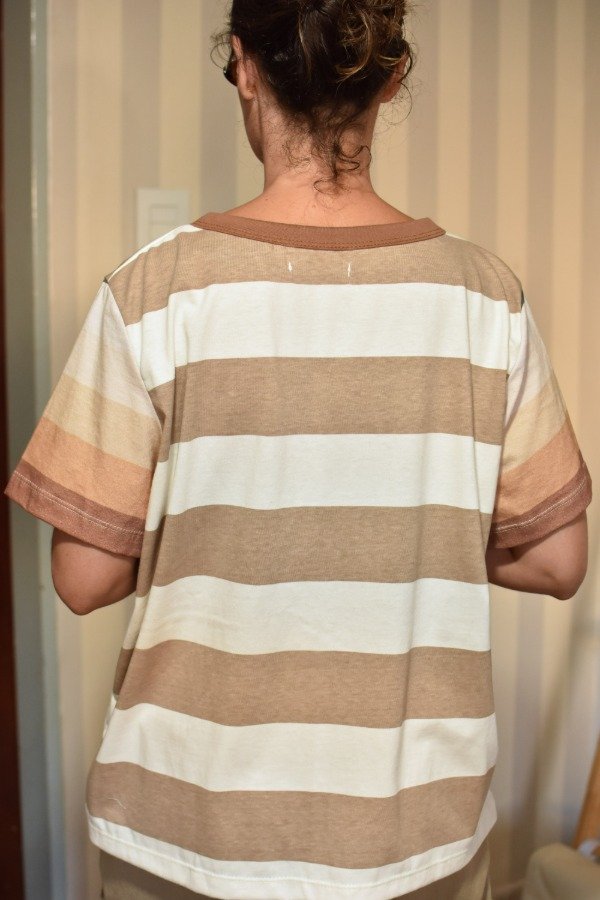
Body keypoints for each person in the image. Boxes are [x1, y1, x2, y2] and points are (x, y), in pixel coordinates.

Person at [4, 1, 592, 898]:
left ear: (245, 66)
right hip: (413, 836)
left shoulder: (150, 291)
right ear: (391, 78)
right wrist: (400, 531)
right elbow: (556, 560)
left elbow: (84, 577)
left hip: (186, 833)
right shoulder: (487, 299)